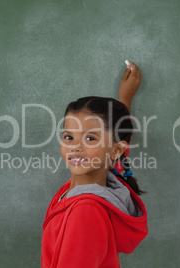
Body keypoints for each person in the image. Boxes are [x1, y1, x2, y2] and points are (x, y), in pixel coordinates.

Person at [41, 61, 148, 268]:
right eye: (69, 137)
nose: (75, 147)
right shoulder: (110, 180)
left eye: (90, 139)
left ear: (115, 150)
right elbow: (116, 146)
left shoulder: (86, 211)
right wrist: (125, 99)